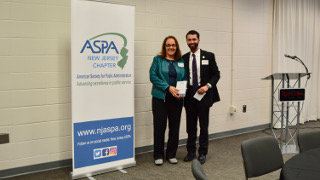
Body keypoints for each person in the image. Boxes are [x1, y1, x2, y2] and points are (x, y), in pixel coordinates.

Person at [182, 30, 220, 164]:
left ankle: (202, 153)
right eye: (189, 40)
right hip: (189, 97)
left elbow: (216, 74)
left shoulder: (209, 56)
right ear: (186, 41)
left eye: (194, 39)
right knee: (190, 126)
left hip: (204, 95)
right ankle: (191, 151)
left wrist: (207, 86)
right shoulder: (183, 58)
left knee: (203, 126)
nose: (191, 42)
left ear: (198, 40)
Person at [149, 36, 187, 165]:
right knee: (160, 127)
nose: (171, 47)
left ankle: (171, 154)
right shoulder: (158, 60)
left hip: (176, 99)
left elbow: (185, 78)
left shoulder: (180, 61)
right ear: (164, 47)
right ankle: (158, 155)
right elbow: (152, 76)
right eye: (168, 45)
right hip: (160, 98)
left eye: (173, 45)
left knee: (174, 127)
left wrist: (183, 90)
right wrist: (168, 87)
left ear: (176, 47)